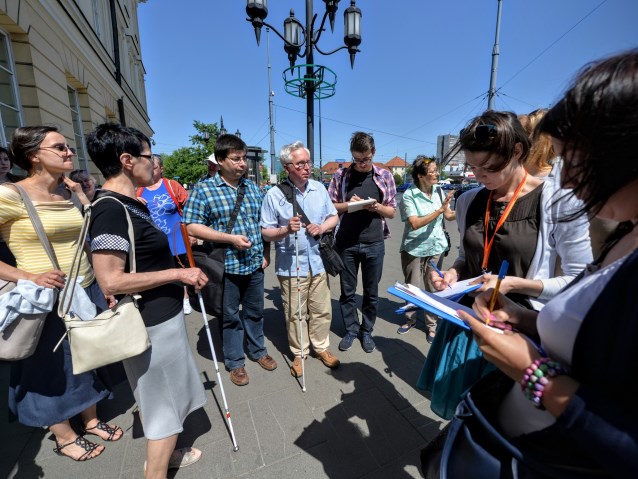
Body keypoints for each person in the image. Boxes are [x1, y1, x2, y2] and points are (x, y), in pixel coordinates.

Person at [439, 49, 638, 478]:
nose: (563, 177)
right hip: (491, 344)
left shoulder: (560, 201)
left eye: (576, 160)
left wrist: (532, 370)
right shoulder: (626, 230)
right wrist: (520, 320)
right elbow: (587, 314)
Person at [418, 110, 592, 420]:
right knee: (465, 417)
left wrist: (515, 284)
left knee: (503, 422)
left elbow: (581, 284)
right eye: (472, 167)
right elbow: (467, 257)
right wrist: (453, 274)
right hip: (466, 322)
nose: (478, 176)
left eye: (487, 167)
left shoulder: (557, 200)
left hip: (520, 333)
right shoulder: (468, 200)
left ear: (517, 152)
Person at [86, 123, 208, 478]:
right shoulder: (110, 208)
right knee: (164, 407)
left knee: (163, 400)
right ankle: (155, 471)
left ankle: (167, 456)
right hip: (150, 323)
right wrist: (178, 274)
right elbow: (110, 278)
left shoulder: (128, 202)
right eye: (147, 155)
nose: (153, 162)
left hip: (160, 318)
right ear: (126, 160)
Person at [1, 126, 121, 462]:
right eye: (60, 147)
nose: (69, 152)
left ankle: (91, 418)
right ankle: (64, 435)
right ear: (34, 156)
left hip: (85, 289)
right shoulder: (11, 195)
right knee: (49, 368)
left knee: (88, 358)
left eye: (68, 146)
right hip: (45, 299)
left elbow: (82, 240)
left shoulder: (66, 192)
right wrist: (28, 276)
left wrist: (105, 283)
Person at [184, 134, 276, 387]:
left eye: (244, 158)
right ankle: (235, 362)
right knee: (230, 316)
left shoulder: (254, 189)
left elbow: (263, 225)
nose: (242, 163)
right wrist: (229, 238)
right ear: (221, 160)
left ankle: (258, 351)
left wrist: (266, 254)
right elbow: (191, 226)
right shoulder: (204, 190)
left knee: (255, 312)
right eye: (236, 159)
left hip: (255, 263)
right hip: (225, 266)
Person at [261, 141, 340, 377]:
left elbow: (333, 216)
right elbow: (266, 231)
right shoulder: (274, 195)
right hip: (291, 265)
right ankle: (299, 352)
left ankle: (321, 347)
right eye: (300, 163)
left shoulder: (319, 188)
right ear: (287, 167)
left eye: (308, 162)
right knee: (295, 313)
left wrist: (322, 227)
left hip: (318, 261)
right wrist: (285, 229)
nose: (307, 167)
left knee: (322, 309)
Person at [328, 131, 397, 353]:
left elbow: (392, 212)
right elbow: (331, 206)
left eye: (365, 159)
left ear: (373, 153)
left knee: (371, 291)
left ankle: (366, 331)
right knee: (347, 291)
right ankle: (350, 329)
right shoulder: (341, 176)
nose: (361, 164)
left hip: (374, 242)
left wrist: (375, 206)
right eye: (356, 159)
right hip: (346, 242)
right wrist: (349, 204)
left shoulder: (384, 175)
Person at [397, 156, 455, 342]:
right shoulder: (409, 195)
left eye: (436, 170)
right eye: (432, 171)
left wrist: (463, 208)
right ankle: (410, 319)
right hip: (414, 248)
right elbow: (414, 223)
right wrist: (439, 211)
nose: (437, 174)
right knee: (412, 287)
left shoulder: (438, 191)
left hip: (436, 246)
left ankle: (432, 325)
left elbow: (449, 215)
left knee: (433, 286)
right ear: (421, 176)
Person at [136, 154, 193, 314]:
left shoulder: (171, 185)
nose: (150, 171)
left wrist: (191, 232)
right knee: (161, 271)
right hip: (153, 241)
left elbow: (188, 207)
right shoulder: (139, 190)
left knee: (180, 269)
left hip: (176, 238)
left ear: (161, 169)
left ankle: (185, 298)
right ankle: (167, 299)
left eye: (153, 168)